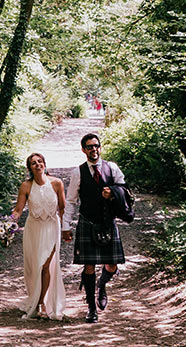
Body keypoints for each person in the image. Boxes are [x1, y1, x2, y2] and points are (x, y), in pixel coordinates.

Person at [61, 132, 126, 322]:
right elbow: (71, 201)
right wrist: (66, 226)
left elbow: (125, 190)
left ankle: (102, 284)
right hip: (87, 222)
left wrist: (112, 193)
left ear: (100, 147)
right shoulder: (77, 172)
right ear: (83, 150)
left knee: (112, 265)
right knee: (88, 266)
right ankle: (91, 309)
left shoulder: (112, 168)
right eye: (89, 147)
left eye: (96, 146)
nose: (94, 149)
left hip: (107, 222)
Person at [8, 152, 66, 320]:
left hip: (52, 227)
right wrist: (10, 222)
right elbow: (18, 209)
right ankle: (35, 297)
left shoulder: (56, 183)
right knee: (35, 267)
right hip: (33, 229)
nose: (38, 165)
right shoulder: (26, 186)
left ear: (44, 164)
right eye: (33, 163)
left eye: (40, 162)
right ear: (30, 168)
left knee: (45, 266)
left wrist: (66, 229)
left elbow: (62, 208)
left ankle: (41, 304)